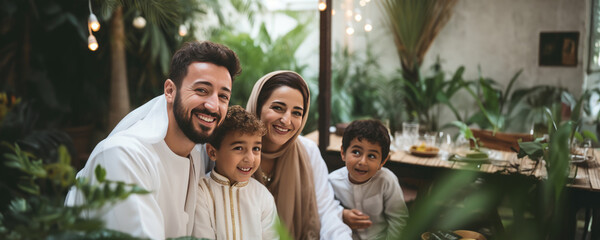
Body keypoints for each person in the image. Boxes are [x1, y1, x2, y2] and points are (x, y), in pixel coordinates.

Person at [65, 41, 241, 239]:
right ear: (170, 91)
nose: (213, 105)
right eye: (202, 90)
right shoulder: (124, 156)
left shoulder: (198, 154)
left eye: (223, 96)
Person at [246, 70, 352, 239]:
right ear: (257, 107)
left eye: (296, 113)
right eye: (278, 108)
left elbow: (325, 211)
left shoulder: (308, 151)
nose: (286, 121)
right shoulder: (230, 151)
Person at [192, 105, 278, 240]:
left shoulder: (262, 196)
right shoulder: (201, 191)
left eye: (256, 148)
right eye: (239, 148)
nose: (250, 158)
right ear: (212, 152)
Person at [328, 119, 409, 240]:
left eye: (371, 156)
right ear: (343, 153)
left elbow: (399, 220)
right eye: (356, 152)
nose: (363, 162)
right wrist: (341, 214)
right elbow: (324, 212)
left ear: (382, 161)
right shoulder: (332, 181)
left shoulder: (386, 180)